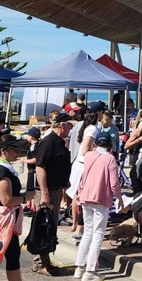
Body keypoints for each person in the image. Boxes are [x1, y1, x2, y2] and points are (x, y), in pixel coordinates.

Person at [73, 132, 124, 281]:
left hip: (86, 197)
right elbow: (114, 183)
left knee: (87, 232)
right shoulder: (110, 159)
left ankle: (79, 267)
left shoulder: (88, 156)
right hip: (101, 198)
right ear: (109, 145)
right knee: (98, 234)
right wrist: (120, 198)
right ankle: (90, 271)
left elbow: (83, 176)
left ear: (96, 144)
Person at [33, 113, 73, 275]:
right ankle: (40, 263)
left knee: (51, 228)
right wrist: (44, 193)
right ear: (62, 125)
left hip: (56, 189)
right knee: (45, 226)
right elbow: (40, 167)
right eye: (69, 125)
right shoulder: (49, 142)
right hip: (48, 190)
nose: (71, 129)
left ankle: (45, 260)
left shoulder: (60, 142)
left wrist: (65, 181)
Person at [0, 134, 35, 281]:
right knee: (10, 254)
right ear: (4, 150)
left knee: (13, 255)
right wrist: (24, 198)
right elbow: (6, 200)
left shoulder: (6, 169)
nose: (18, 152)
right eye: (15, 149)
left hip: (9, 221)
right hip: (3, 221)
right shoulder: (3, 171)